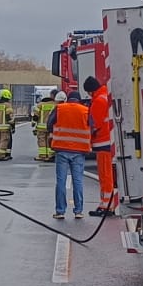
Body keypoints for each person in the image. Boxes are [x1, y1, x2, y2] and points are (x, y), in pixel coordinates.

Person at [49, 89, 91, 220]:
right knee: (78, 181)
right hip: (79, 151)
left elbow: (49, 124)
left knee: (61, 181)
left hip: (61, 149)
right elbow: (93, 127)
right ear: (79, 100)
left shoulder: (60, 108)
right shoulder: (86, 110)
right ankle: (78, 211)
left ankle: (60, 211)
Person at [84, 75, 117, 214]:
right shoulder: (105, 97)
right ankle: (107, 204)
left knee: (105, 176)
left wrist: (87, 138)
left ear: (91, 90)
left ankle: (106, 205)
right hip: (108, 142)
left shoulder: (98, 101)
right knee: (108, 175)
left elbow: (94, 124)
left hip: (102, 143)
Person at [0, 88, 15, 161]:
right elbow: (9, 116)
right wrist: (12, 125)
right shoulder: (7, 105)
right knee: (4, 140)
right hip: (5, 127)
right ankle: (1, 155)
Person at [31, 92, 56, 161]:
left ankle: (42, 155)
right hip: (51, 127)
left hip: (41, 127)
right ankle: (50, 155)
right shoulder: (55, 105)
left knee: (41, 140)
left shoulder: (40, 105)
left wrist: (33, 123)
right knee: (49, 140)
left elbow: (35, 116)